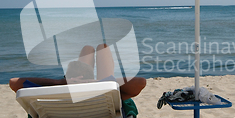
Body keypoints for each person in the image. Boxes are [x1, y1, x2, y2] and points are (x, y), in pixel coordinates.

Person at [9, 44, 146, 101]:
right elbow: (140, 82)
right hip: (100, 97)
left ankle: (78, 76)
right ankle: (90, 76)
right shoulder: (106, 93)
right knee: (102, 47)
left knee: (88, 48)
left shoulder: (56, 95)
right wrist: (97, 83)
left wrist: (60, 83)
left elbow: (14, 82)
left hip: (66, 104)